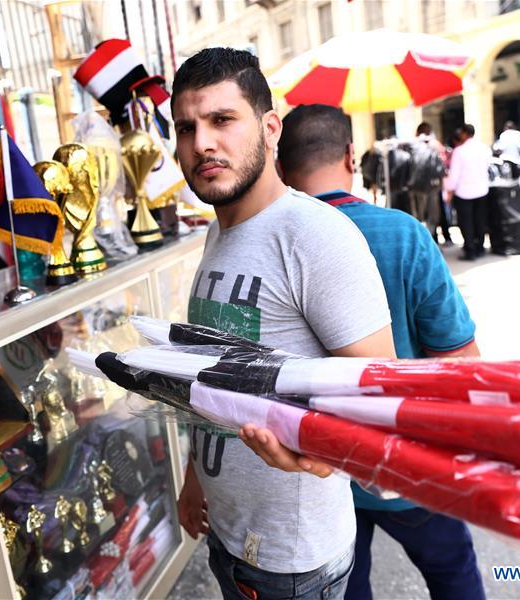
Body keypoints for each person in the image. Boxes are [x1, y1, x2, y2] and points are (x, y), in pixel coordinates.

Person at [171, 48, 395, 600]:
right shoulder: (219, 231)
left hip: (294, 562)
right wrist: (195, 475)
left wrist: (321, 455)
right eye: (186, 127)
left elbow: (380, 392)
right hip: (231, 534)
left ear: (270, 128)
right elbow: (212, 377)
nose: (201, 143)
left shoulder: (316, 236)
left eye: (222, 120)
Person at [278, 104, 485, 600]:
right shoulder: (402, 233)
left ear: (281, 169)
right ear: (352, 156)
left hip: (313, 473)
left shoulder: (273, 243)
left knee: (350, 588)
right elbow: (462, 361)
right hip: (405, 462)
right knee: (453, 573)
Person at [444, 124, 491, 261]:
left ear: (464, 134)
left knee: (466, 223)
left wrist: (449, 191)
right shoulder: (484, 148)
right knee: (480, 220)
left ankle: (470, 251)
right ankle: (480, 248)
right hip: (482, 190)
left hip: (464, 192)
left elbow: (454, 175)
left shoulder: (460, 151)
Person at [407, 122, 446, 241]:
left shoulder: (411, 145)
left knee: (417, 216)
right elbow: (441, 166)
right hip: (431, 186)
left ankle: (420, 240)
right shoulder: (434, 145)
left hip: (413, 186)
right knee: (432, 217)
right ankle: (429, 241)